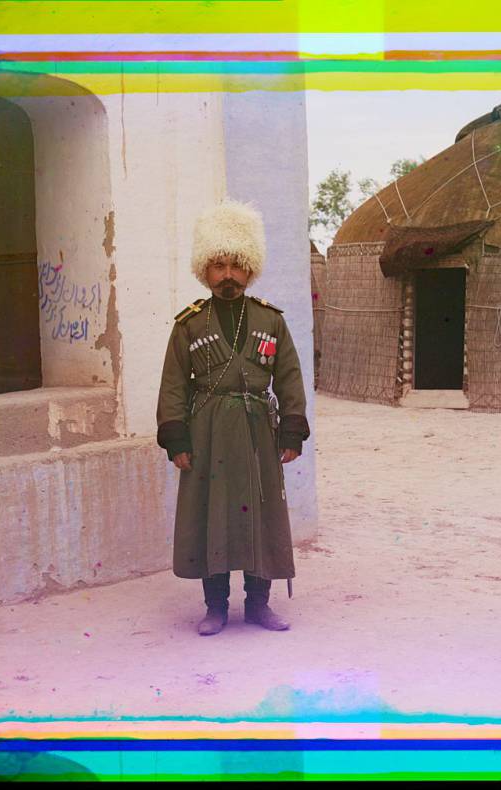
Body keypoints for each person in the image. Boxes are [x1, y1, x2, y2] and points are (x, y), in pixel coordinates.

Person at [156, 200, 310, 636]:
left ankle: (260, 605)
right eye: (218, 265)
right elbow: (172, 385)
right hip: (208, 433)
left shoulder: (270, 320)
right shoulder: (189, 324)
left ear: (250, 269)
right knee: (212, 514)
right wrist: (177, 439)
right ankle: (216, 607)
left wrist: (292, 431)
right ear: (205, 270)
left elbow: (289, 377)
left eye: (236, 265)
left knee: (263, 513)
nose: (228, 275)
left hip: (259, 431)